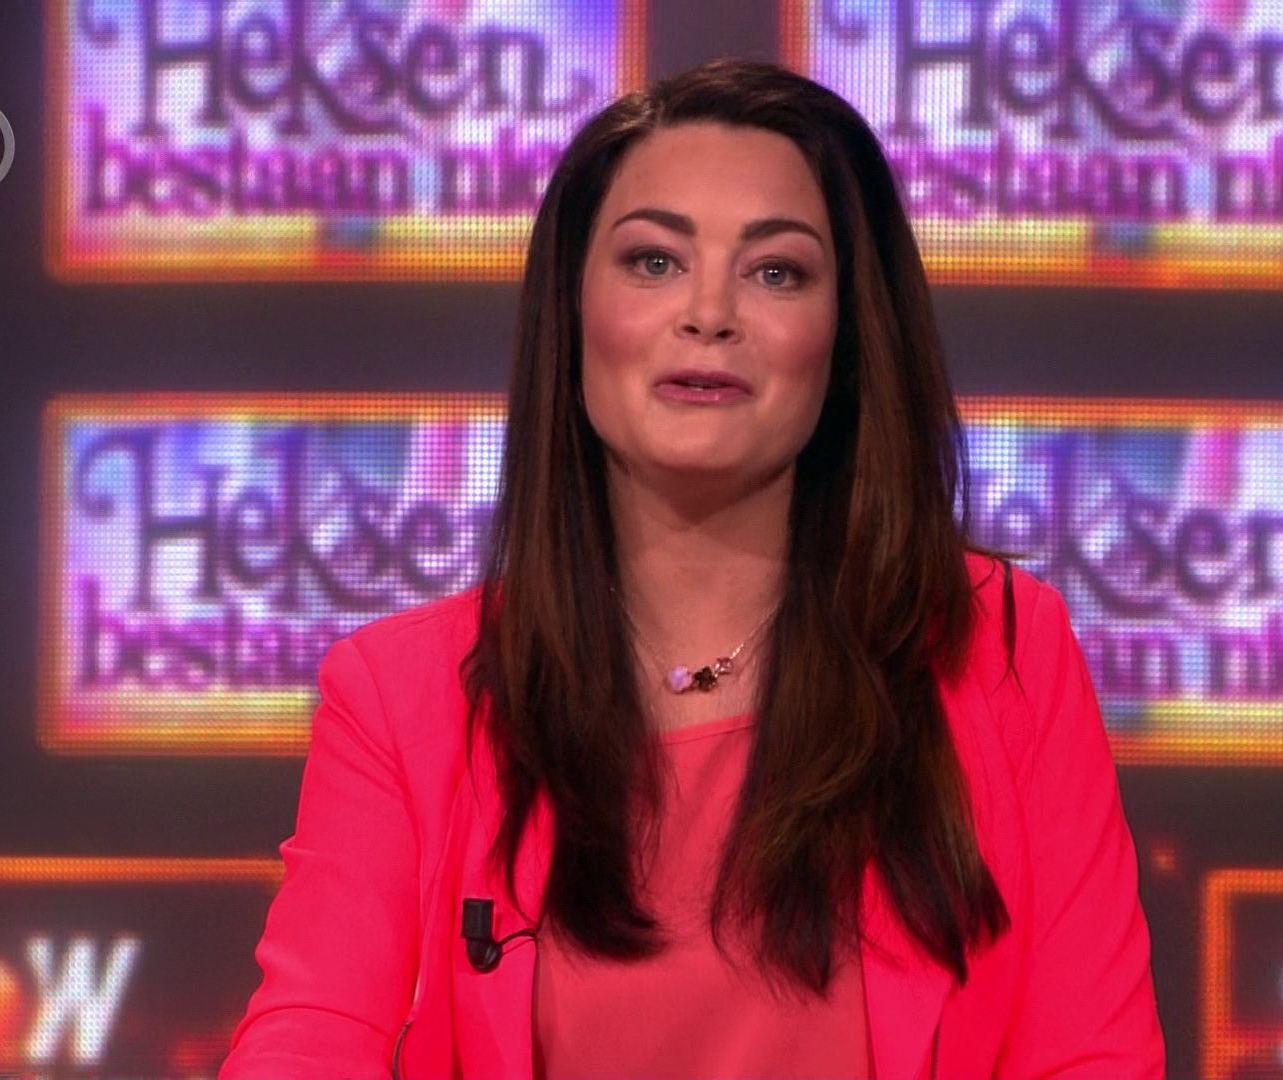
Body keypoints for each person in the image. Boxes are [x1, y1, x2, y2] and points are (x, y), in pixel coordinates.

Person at [219, 56, 1164, 1079]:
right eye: (653, 261)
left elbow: (1092, 1057)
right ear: (573, 315)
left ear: (846, 339)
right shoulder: (402, 697)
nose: (709, 312)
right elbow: (308, 1040)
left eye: (777, 272)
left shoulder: (1001, 651)